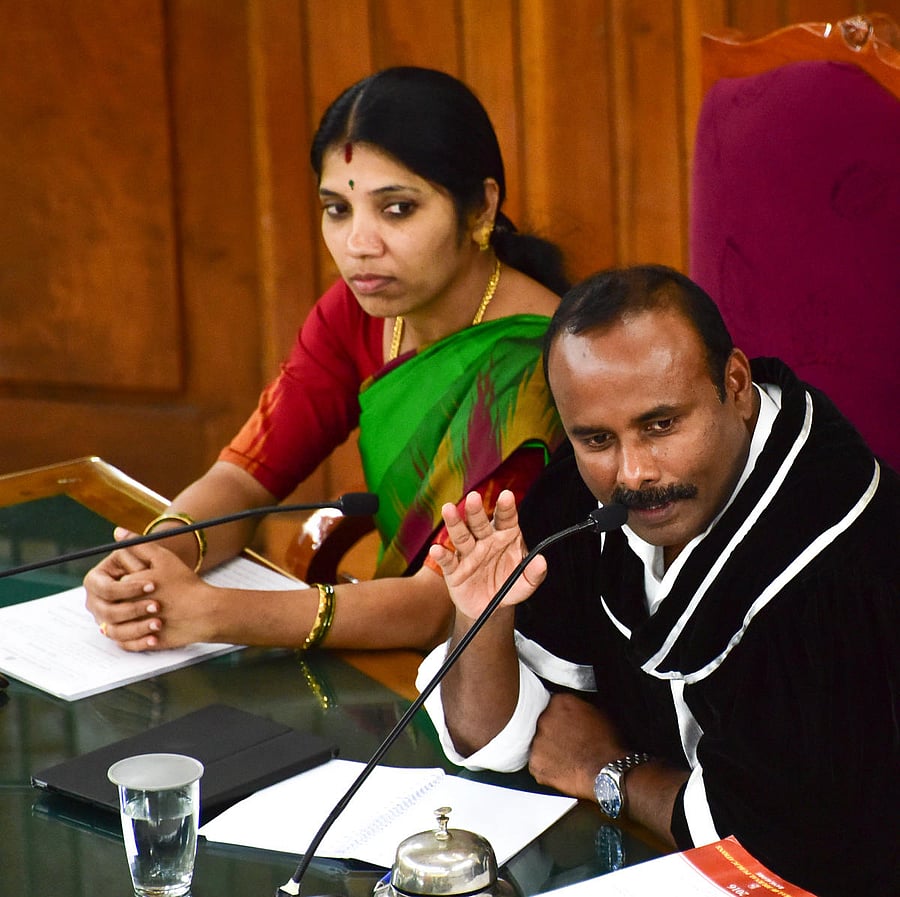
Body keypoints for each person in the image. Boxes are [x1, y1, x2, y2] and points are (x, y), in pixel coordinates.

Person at [420, 265, 900, 896]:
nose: (634, 471)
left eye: (661, 425)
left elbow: (795, 849)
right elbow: (507, 736)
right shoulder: (593, 496)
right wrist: (481, 617)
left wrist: (606, 771)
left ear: (735, 384)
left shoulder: (839, 561)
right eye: (595, 438)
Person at [84, 67, 568, 653]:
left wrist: (212, 613)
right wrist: (150, 561)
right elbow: (245, 477)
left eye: (397, 209)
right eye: (337, 209)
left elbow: (439, 605)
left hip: (527, 662)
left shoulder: (536, 365)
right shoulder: (358, 312)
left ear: (480, 209)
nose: (359, 243)